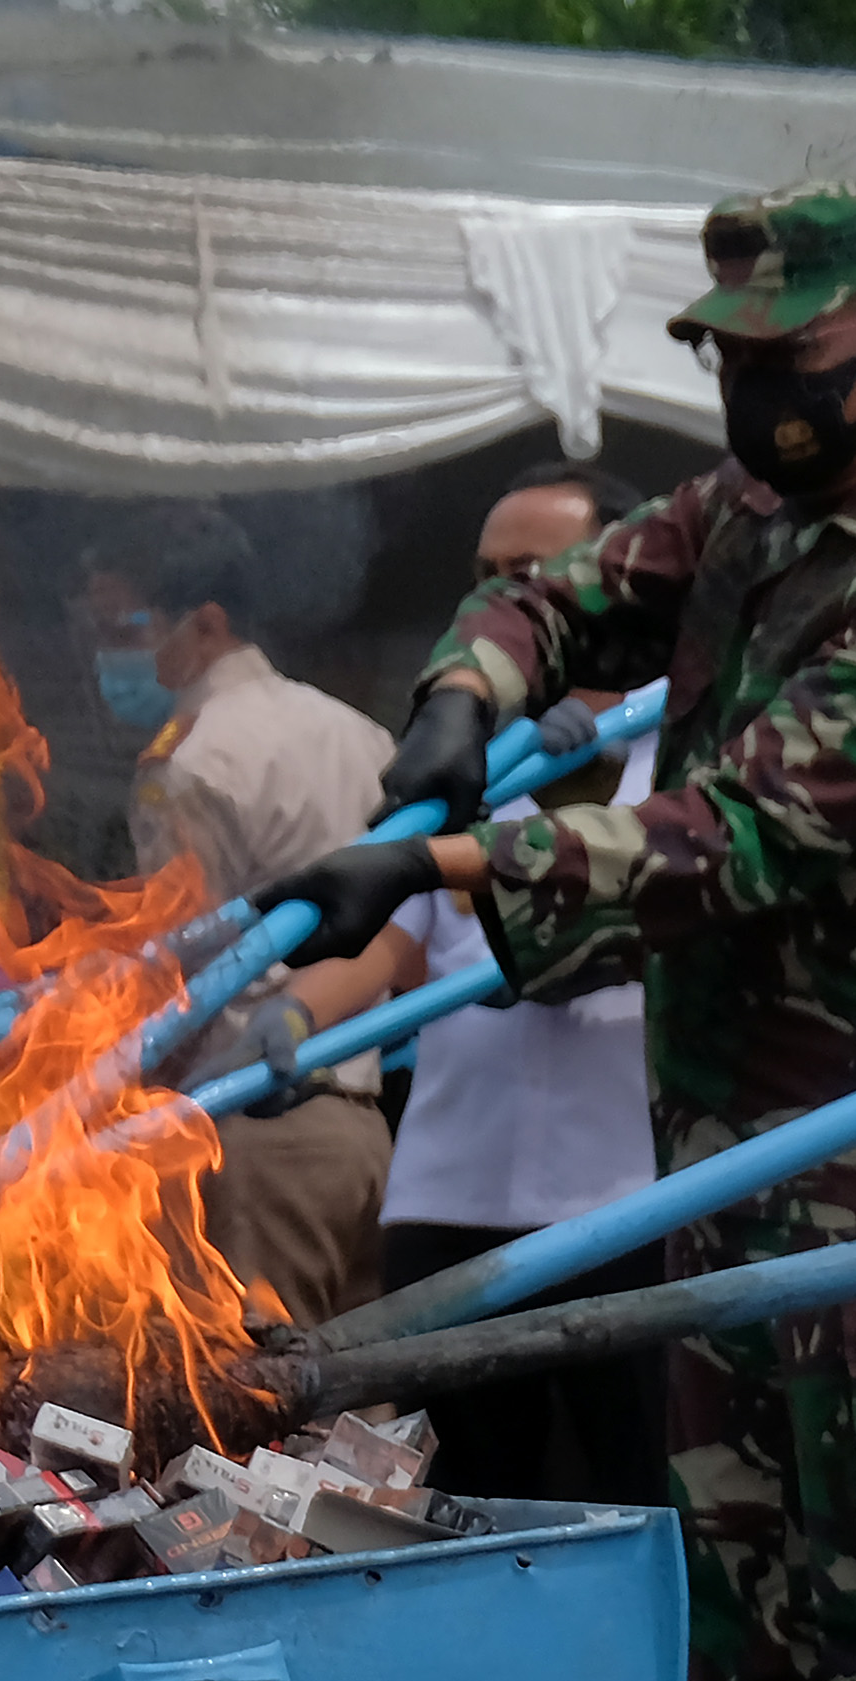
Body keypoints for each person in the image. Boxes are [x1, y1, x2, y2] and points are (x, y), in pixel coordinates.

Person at [262, 182, 856, 1681]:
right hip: (709, 1174)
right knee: (742, 1592)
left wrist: (444, 868)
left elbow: (727, 838)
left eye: (795, 358)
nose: (757, 394)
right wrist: (466, 694)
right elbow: (558, 594)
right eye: (733, 359)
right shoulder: (748, 513)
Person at [277, 459, 675, 1504]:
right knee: (466, 1500)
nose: (505, 598)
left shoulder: (687, 757)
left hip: (623, 1202)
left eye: (537, 570)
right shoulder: (464, 768)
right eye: (488, 574)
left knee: (628, 1493)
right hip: (451, 1195)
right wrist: (284, 1023)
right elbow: (391, 947)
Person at [75, 503, 397, 1329]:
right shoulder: (360, 735)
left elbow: (186, 977)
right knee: (357, 1422)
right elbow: (412, 941)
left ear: (207, 622)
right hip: (362, 1132)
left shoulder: (193, 765)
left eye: (125, 627)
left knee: (251, 1413)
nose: (110, 655)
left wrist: (97, 1097)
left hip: (252, 1128)